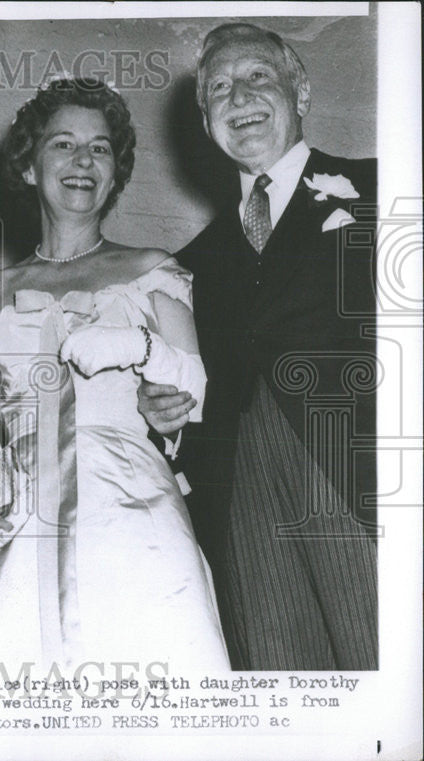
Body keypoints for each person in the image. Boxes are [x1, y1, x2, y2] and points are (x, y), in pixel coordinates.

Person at [0, 77, 229, 672]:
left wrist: (143, 355)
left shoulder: (151, 270)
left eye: (100, 148)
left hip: (132, 512)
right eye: (63, 144)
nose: (82, 161)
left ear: (116, 171)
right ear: (28, 166)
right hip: (18, 521)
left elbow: (192, 390)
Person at [139, 23, 378, 670]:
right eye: (218, 87)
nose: (238, 95)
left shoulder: (386, 191)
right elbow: (181, 395)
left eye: (257, 77)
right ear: (207, 120)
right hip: (239, 499)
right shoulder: (187, 266)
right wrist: (162, 411)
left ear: (300, 89)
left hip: (363, 478)